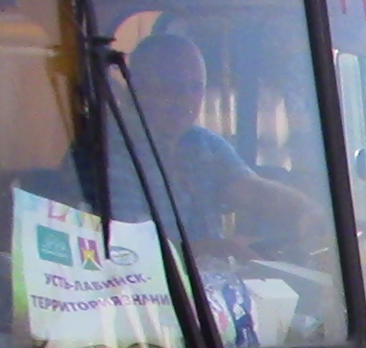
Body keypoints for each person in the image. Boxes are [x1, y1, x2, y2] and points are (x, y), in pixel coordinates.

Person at [114, 34, 323, 254]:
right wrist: (213, 250)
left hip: (207, 284)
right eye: (172, 86)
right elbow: (126, 252)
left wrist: (308, 212)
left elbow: (250, 190)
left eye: (195, 87)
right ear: (137, 87)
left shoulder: (203, 144)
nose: (185, 97)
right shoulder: (112, 152)